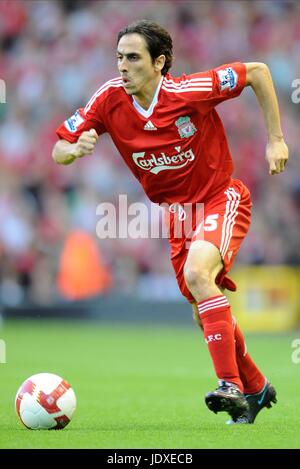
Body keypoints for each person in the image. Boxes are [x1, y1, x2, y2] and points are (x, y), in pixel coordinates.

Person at [52, 20, 288, 423]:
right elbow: (58, 147)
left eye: (132, 58)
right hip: (178, 218)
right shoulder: (108, 99)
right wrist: (74, 151)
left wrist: (275, 139)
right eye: (118, 57)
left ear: (159, 62)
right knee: (204, 311)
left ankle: (229, 384)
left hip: (220, 198)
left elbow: (257, 72)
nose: (122, 66)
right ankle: (256, 387)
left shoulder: (188, 92)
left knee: (199, 274)